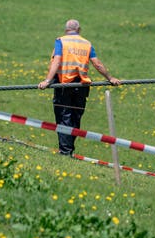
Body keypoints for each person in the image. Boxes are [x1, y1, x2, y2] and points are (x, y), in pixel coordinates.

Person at [38, 19, 121, 156]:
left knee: (64, 117)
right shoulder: (86, 43)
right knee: (76, 117)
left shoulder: (61, 41)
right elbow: (97, 64)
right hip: (81, 85)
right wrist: (110, 78)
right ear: (79, 30)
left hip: (64, 84)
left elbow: (57, 60)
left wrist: (47, 80)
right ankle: (68, 150)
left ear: (66, 30)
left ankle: (65, 152)